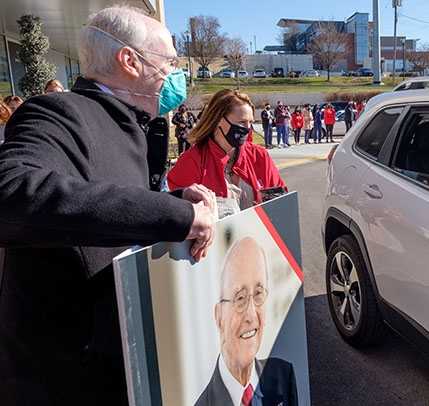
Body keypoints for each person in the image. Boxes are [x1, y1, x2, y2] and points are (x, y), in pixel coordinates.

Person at [0, 5, 216, 406]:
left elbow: (105, 205)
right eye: (169, 61)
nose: (176, 73)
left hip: (122, 364)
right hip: (69, 378)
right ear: (129, 60)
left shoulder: (132, 124)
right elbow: (12, 193)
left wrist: (167, 201)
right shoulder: (58, 113)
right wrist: (174, 216)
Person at [196, 236, 298, 406]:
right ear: (219, 316)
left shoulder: (283, 374)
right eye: (240, 298)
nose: (251, 315)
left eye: (258, 294)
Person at [166, 89, 287, 212]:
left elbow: (281, 207)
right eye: (241, 122)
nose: (247, 129)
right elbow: (180, 216)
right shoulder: (191, 161)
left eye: (250, 122)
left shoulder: (259, 156)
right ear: (218, 119)